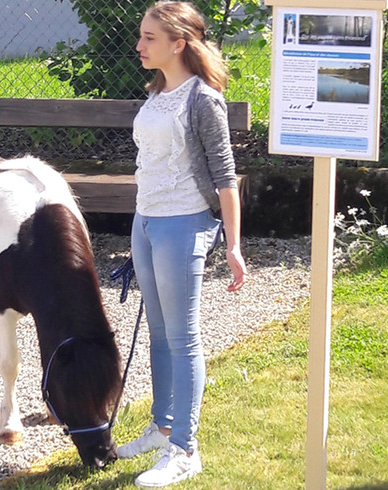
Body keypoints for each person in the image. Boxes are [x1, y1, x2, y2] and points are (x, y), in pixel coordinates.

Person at [117, 1, 248, 487]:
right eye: (141, 36)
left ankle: (185, 450)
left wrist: (232, 246)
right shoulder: (157, 91)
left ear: (179, 43)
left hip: (183, 224)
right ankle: (163, 426)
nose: (139, 45)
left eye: (149, 37)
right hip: (146, 221)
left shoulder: (202, 99)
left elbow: (225, 176)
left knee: (182, 337)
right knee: (157, 333)